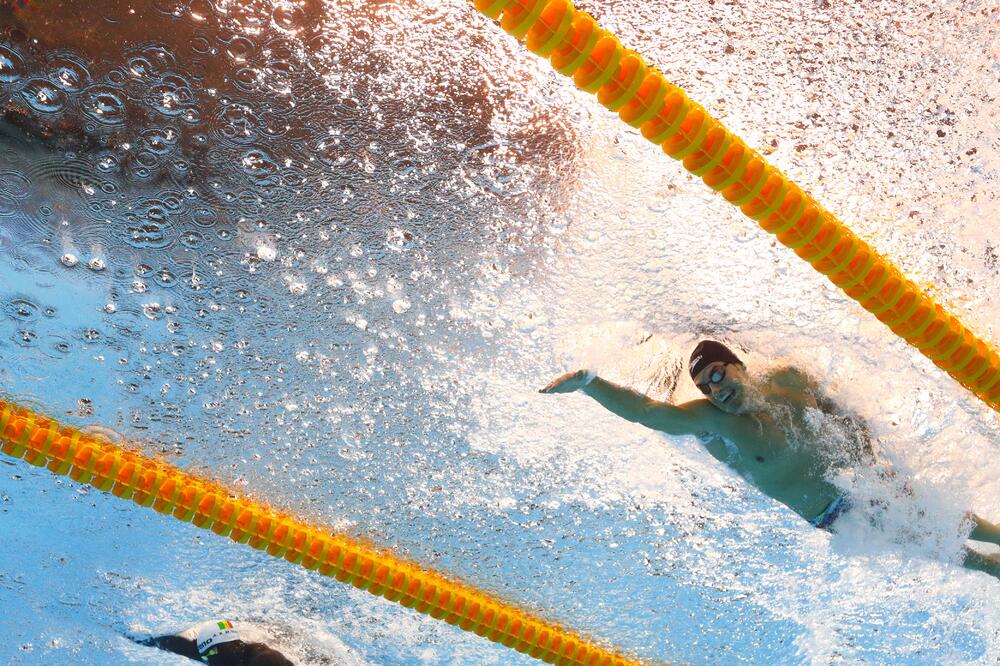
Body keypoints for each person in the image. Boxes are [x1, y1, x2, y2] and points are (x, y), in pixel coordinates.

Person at [540, 339, 1000, 577]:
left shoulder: (791, 381)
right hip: (835, 513)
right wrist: (590, 382)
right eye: (706, 386)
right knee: (950, 550)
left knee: (956, 519)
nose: (716, 390)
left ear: (739, 365)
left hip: (860, 480)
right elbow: (646, 413)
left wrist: (867, 453)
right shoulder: (714, 423)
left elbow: (840, 412)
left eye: (718, 375)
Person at [137, 619, 294, 666]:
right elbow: (176, 645)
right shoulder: (221, 655)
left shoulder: (265, 659)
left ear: (231, 644)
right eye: (204, 657)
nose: (207, 661)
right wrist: (136, 638)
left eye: (210, 654)